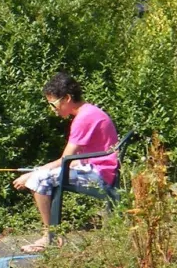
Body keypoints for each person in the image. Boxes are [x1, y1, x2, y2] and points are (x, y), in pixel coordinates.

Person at [12, 72, 120, 253]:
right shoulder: (89, 112)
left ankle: (49, 237)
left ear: (67, 98)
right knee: (42, 175)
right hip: (98, 167)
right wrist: (39, 170)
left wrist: (33, 174)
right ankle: (52, 234)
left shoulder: (84, 118)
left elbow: (65, 160)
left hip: (100, 174)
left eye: (53, 104)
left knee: (39, 180)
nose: (53, 109)